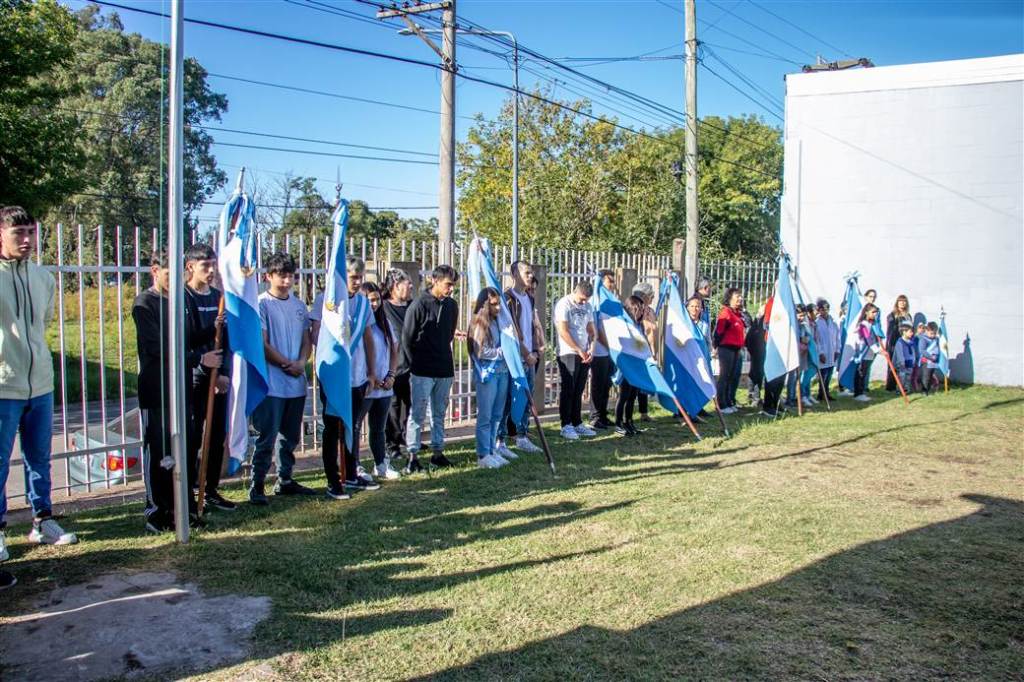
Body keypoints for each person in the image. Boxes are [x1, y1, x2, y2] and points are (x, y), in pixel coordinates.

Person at [0, 207, 77, 590]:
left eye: (31, 232)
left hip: (40, 383)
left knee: (39, 458)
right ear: (1, 234)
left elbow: (42, 323)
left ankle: (42, 520)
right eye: (19, 233)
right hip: (4, 385)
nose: (27, 240)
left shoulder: (43, 277)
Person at [133, 249, 214, 531]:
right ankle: (157, 511)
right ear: (155, 271)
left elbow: (190, 337)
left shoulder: (182, 300)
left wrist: (214, 329)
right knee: (159, 452)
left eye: (180, 274)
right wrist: (198, 359)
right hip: (157, 389)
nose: (176, 280)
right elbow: (157, 347)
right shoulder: (145, 303)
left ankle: (183, 507)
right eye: (169, 274)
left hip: (182, 389)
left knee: (186, 447)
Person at [250, 253, 317, 505]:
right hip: (272, 383)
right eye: (282, 275)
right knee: (266, 436)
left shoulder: (299, 306)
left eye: (290, 276)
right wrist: (284, 363)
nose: (287, 281)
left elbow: (306, 339)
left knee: (290, 436)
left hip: (295, 382)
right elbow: (262, 342)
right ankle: (257, 484)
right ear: (269, 276)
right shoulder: (261, 304)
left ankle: (285, 479)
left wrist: (301, 362)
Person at [310, 256, 380, 498]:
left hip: (358, 376)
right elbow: (316, 336)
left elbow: (369, 338)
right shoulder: (326, 301)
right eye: (352, 277)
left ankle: (350, 473)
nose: (357, 281)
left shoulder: (362, 304)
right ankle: (333, 479)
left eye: (360, 277)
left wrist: (372, 372)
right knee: (332, 429)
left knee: (353, 426)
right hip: (334, 377)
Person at [183, 243, 234, 512]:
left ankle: (210, 488)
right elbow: (186, 339)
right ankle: (191, 492)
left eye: (214, 265)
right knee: (192, 437)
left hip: (218, 379)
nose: (212, 271)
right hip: (194, 379)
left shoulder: (218, 297)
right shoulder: (184, 297)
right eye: (206, 266)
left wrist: (222, 374)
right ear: (191, 267)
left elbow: (226, 340)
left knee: (216, 437)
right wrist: (205, 368)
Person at [402, 264, 461, 469]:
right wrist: (415, 364)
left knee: (439, 413)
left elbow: (450, 334)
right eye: (448, 284)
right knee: (417, 413)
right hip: (422, 369)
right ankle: (413, 455)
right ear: (434, 281)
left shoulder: (452, 306)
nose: (451, 289)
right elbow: (407, 338)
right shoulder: (419, 304)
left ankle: (438, 452)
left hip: (444, 368)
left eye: (453, 285)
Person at [495, 261, 544, 456]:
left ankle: (522, 436)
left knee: (526, 397)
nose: (530, 276)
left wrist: (535, 349)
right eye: (526, 272)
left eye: (531, 272)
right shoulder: (507, 299)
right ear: (514, 274)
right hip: (515, 356)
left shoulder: (529, 298)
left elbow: (530, 325)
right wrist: (525, 353)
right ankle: (500, 440)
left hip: (529, 355)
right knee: (508, 398)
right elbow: (512, 331)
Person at [357, 282, 399, 480]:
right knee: (356, 427)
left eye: (376, 299)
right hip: (365, 385)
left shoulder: (385, 323)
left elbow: (394, 350)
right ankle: (354, 465)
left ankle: (381, 463)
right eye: (369, 300)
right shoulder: (359, 324)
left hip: (384, 386)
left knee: (378, 428)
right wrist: (369, 376)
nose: (373, 304)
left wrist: (391, 375)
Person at [469, 287, 512, 468]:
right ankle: (483, 454)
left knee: (497, 415)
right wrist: (500, 353)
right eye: (494, 304)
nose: (498, 308)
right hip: (487, 374)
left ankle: (492, 449)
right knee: (485, 416)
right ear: (485, 305)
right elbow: (479, 350)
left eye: (499, 303)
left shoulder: (498, 321)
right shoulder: (479, 323)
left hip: (502, 372)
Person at [381, 268, 416, 470]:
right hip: (393, 366)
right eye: (407, 283)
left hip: (413, 365)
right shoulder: (384, 308)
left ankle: (409, 439)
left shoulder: (412, 306)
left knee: (414, 406)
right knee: (392, 409)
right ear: (395, 286)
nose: (411, 286)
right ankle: (392, 445)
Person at [554, 280, 596, 440]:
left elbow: (592, 330)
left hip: (584, 353)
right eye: (582, 299)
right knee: (569, 388)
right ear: (575, 291)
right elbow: (563, 331)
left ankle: (577, 422)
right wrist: (578, 349)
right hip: (568, 351)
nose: (584, 302)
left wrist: (591, 347)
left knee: (579, 389)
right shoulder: (563, 304)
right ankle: (566, 425)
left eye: (586, 300)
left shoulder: (588, 307)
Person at [614, 296, 647, 436]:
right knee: (624, 395)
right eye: (639, 309)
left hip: (637, 363)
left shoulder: (639, 324)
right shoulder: (624, 323)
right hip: (626, 365)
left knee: (633, 395)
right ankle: (618, 423)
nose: (641, 313)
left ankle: (629, 421)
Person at [588, 269, 615, 430]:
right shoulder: (596, 302)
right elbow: (598, 329)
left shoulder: (611, 302)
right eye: (609, 281)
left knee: (606, 384)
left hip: (609, 351)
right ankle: (595, 416)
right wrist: (608, 345)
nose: (612, 285)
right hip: (599, 350)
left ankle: (603, 414)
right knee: (598, 384)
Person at [714, 288, 746, 414]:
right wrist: (716, 346)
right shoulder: (726, 312)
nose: (740, 299)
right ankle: (721, 404)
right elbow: (720, 331)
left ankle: (728, 401)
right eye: (737, 296)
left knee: (732, 376)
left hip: (736, 348)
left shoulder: (737, 313)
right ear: (730, 298)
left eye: (741, 296)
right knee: (724, 376)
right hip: (726, 347)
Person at [632, 282, 658, 423]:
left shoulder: (650, 310)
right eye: (650, 295)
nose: (653, 297)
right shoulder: (637, 310)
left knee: (644, 383)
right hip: (639, 349)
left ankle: (644, 412)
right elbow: (647, 331)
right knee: (635, 383)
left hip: (648, 350)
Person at [853, 303, 882, 402]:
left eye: (876, 312)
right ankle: (858, 393)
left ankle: (861, 392)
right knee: (860, 373)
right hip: (863, 352)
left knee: (864, 373)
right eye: (873, 312)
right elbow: (868, 338)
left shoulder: (873, 324)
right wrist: (878, 350)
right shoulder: (863, 324)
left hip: (869, 353)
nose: (875, 314)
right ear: (866, 312)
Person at [814, 298, 840, 401]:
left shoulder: (833, 322)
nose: (825, 311)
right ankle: (821, 393)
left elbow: (837, 337)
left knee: (829, 374)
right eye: (823, 309)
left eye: (827, 309)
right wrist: (820, 353)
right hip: (823, 353)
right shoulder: (817, 323)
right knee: (823, 374)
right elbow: (817, 340)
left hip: (832, 352)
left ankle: (826, 392)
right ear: (819, 310)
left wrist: (837, 350)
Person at [885, 295, 912, 391]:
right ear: (897, 302)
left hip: (906, 343)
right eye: (900, 301)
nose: (902, 303)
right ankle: (891, 386)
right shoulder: (892, 315)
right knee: (893, 364)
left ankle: (903, 386)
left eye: (904, 301)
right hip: (895, 343)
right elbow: (890, 331)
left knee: (904, 364)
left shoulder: (908, 316)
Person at [745, 303, 767, 407]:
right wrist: (752, 350)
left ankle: (754, 396)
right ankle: (755, 397)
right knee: (757, 373)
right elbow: (750, 337)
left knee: (757, 373)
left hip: (761, 350)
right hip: (757, 350)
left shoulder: (763, 321)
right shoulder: (758, 322)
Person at [918, 322, 943, 395]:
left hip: (933, 361)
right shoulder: (923, 339)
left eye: (935, 333)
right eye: (931, 333)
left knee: (931, 375)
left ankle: (928, 388)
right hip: (926, 361)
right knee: (926, 376)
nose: (933, 335)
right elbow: (922, 350)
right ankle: (924, 390)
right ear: (926, 331)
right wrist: (930, 357)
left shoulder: (936, 339)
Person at [894, 324, 918, 392]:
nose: (912, 333)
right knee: (902, 377)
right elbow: (899, 354)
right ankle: (899, 389)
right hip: (903, 363)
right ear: (904, 332)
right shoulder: (900, 342)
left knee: (908, 377)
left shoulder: (910, 342)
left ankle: (906, 389)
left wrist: (914, 360)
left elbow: (913, 352)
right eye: (910, 332)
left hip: (910, 362)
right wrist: (902, 362)